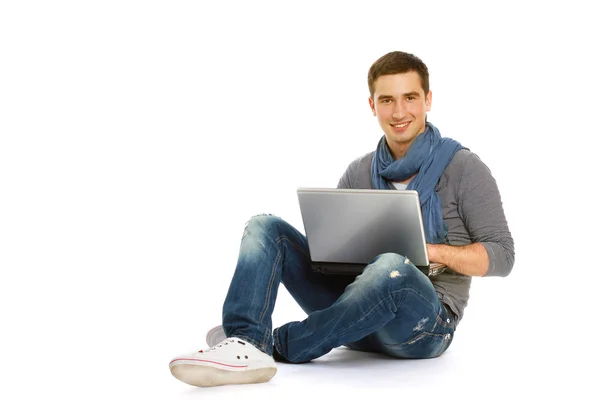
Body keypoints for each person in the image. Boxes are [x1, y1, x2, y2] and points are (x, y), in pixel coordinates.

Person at [168, 51, 515, 388]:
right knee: (264, 228)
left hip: (424, 327)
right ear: (372, 105)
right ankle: (244, 342)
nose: (399, 111)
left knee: (390, 267)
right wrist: (332, 253)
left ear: (428, 100)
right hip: (356, 318)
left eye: (409, 97)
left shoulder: (464, 168)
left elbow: (502, 257)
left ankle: (271, 343)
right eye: (386, 100)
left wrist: (428, 252)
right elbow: (333, 262)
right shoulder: (359, 171)